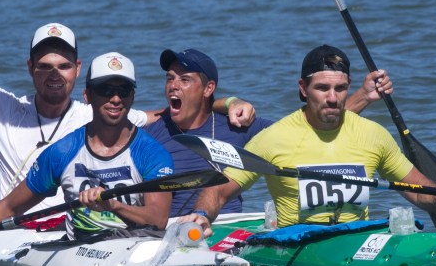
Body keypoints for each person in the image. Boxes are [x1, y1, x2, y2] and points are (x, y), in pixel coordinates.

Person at [0, 0, 251, 209]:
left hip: (75, 237)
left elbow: (176, 111)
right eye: (44, 66)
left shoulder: (100, 114)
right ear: (30, 68)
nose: (54, 75)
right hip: (10, 235)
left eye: (63, 66)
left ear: (78, 70)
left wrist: (229, 102)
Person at [182, 45, 436, 235]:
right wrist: (201, 214)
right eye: (322, 88)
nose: (333, 98)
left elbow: (418, 192)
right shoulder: (273, 139)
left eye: (341, 88)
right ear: (303, 88)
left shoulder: (373, 134)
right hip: (297, 245)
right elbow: (219, 191)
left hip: (355, 241)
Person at [0, 52, 174, 252]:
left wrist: (113, 205)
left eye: (124, 90)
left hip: (136, 248)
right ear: (88, 96)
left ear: (132, 96)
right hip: (79, 251)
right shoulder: (63, 151)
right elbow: (11, 207)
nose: (115, 98)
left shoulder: (152, 153)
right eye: (105, 89)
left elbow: (158, 218)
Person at [145, 48, 394, 217]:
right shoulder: (150, 135)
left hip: (229, 231)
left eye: (184, 80)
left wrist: (362, 97)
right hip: (174, 231)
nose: (173, 86)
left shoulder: (238, 126)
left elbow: (305, 131)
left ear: (209, 88)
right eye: (169, 79)